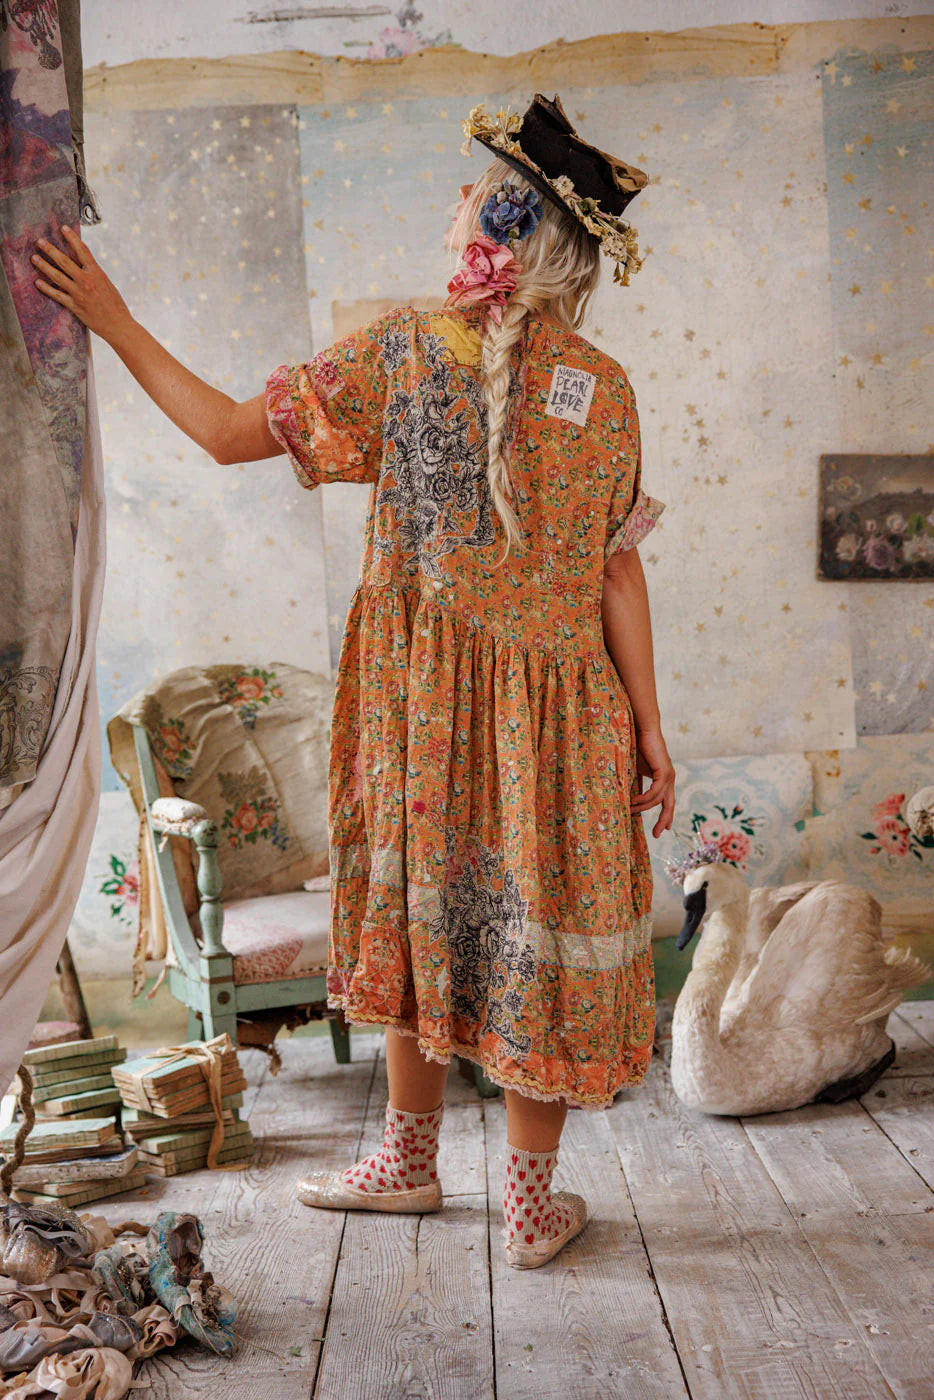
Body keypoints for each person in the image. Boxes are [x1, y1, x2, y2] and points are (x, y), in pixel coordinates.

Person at [32, 93, 674, 1271]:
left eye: (470, 190)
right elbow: (616, 570)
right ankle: (527, 1204)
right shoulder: (606, 385)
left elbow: (228, 432)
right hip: (565, 718)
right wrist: (648, 721)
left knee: (418, 910)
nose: (453, 202)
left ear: (501, 222)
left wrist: (114, 319)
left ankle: (408, 1158)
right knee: (537, 933)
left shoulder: (400, 352)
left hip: (422, 713)